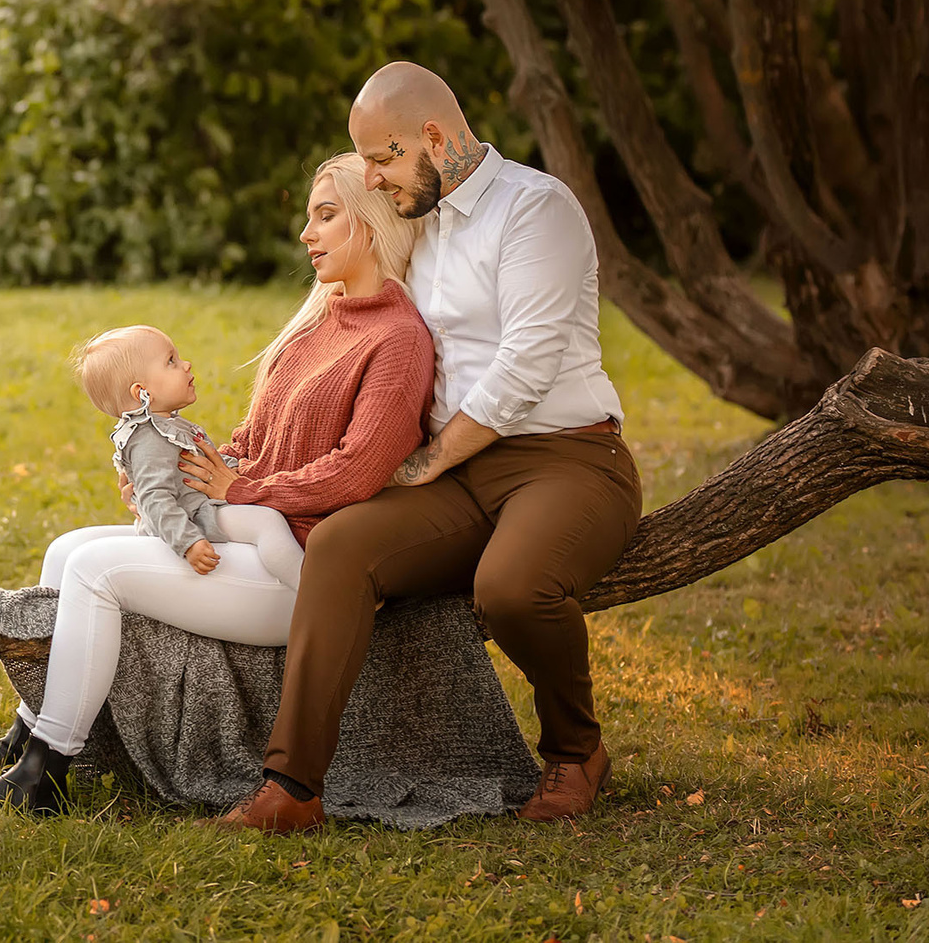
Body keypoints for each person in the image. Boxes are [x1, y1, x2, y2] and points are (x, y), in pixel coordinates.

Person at [192, 62, 642, 833]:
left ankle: (576, 750)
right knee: (341, 544)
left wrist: (427, 463)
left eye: (382, 157)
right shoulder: (420, 224)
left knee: (511, 586)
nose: (372, 176)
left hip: (569, 459)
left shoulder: (536, 209)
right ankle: (291, 787)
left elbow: (526, 365)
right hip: (462, 474)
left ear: (434, 136)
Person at [0, 154, 434, 813]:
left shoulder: (398, 339)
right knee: (67, 550)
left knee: (97, 571)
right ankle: (23, 740)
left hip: (304, 571)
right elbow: (252, 441)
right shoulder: (316, 324)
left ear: (370, 220)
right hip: (248, 531)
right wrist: (181, 473)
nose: (306, 233)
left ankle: (45, 774)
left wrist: (238, 489)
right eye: (309, 217)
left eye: (325, 216)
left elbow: (357, 469)